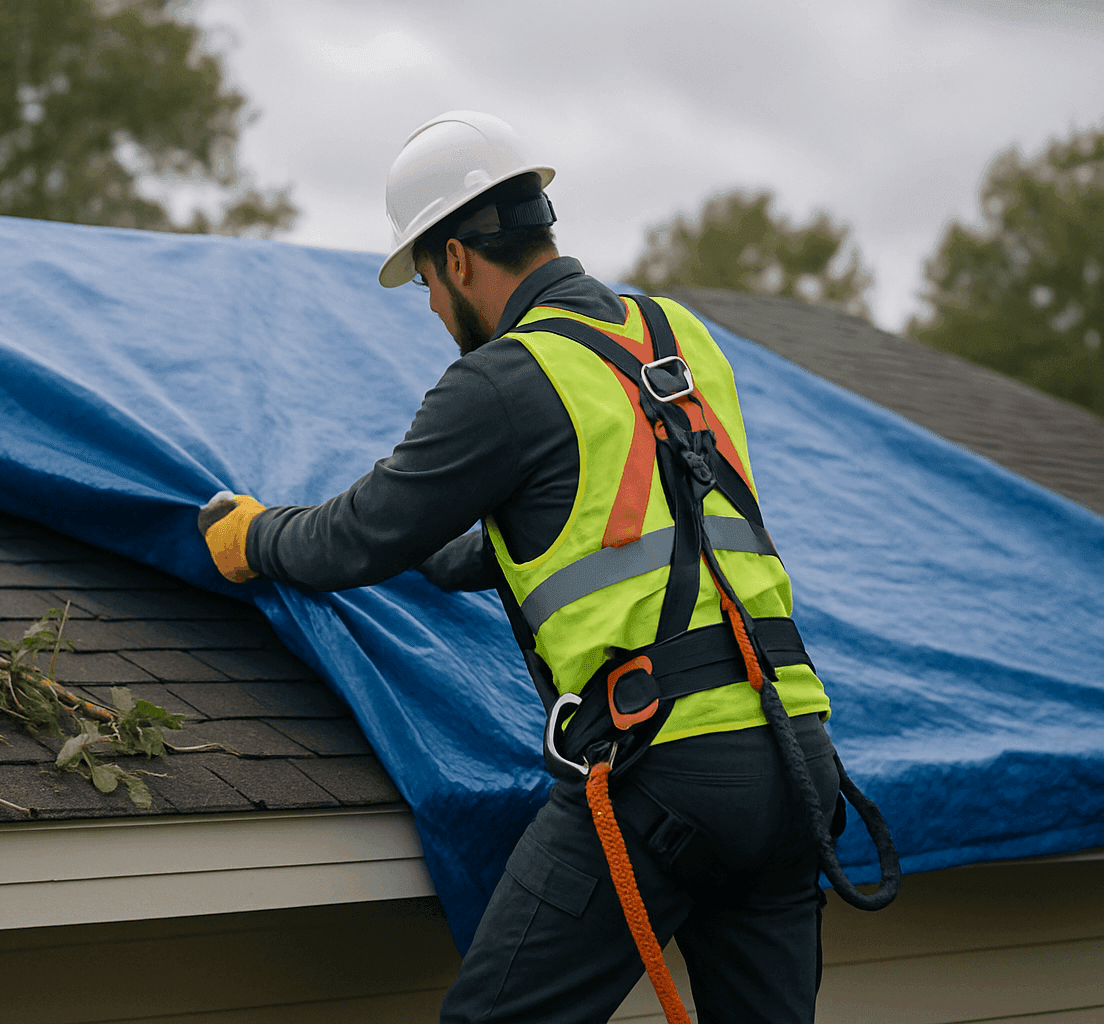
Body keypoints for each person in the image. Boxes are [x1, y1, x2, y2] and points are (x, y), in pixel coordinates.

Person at [198, 111, 845, 1023]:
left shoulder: (505, 378)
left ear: (458, 260)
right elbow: (615, 525)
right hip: (798, 757)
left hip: (669, 771)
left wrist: (253, 537)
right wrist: (449, 558)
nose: (429, 306)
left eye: (424, 279)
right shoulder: (679, 337)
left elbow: (352, 536)